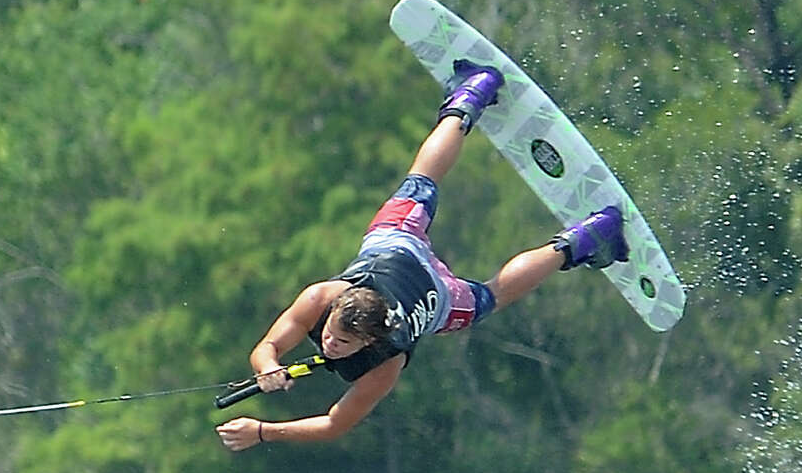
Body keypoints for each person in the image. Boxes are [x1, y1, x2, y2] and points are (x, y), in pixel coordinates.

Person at [215, 60, 628, 452]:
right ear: (336, 306)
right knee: (430, 196)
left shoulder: (383, 362)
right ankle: (475, 105)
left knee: (488, 286)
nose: (330, 342)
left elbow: (334, 424)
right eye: (331, 334)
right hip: (412, 264)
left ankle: (578, 236)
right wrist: (267, 364)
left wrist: (263, 431)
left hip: (420, 270)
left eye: (341, 341)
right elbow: (268, 347)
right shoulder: (322, 301)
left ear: (369, 340)